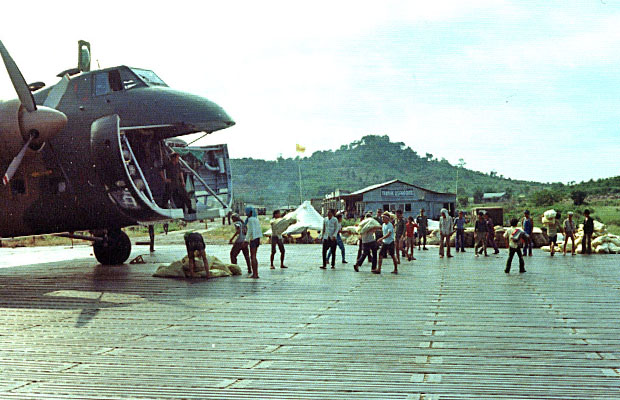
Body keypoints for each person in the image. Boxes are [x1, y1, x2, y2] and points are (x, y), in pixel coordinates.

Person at [245, 206, 262, 278]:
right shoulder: (256, 219)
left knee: (253, 257)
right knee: (254, 256)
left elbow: (250, 230)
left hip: (253, 239)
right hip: (257, 238)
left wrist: (246, 240)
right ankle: (256, 273)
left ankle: (255, 274)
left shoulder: (250, 219)